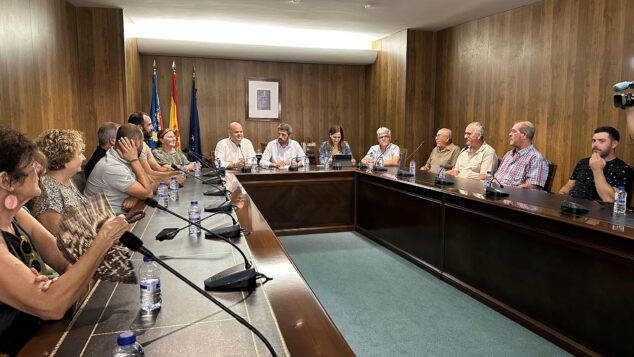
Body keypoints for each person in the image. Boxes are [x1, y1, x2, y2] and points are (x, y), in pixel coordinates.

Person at [0, 127, 129, 355]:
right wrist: (103, 239)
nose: (39, 169)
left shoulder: (17, 214)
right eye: (31, 165)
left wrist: (59, 284)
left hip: (43, 336)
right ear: (6, 180)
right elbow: (52, 305)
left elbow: (70, 260)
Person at [28, 129, 88, 235]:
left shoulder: (67, 179)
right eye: (79, 154)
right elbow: (59, 239)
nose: (84, 157)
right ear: (65, 160)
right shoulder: (48, 190)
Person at [85, 124, 155, 215]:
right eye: (142, 141)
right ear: (136, 142)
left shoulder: (122, 157)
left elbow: (151, 181)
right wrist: (134, 160)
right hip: (106, 220)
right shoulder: (112, 166)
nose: (143, 145)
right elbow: (148, 193)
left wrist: (136, 197)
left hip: (122, 214)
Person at [559, 126, 633, 203]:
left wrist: (597, 170)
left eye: (601, 141)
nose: (595, 144)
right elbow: (567, 187)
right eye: (594, 141)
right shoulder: (583, 162)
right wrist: (561, 197)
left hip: (597, 212)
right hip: (571, 207)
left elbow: (610, 199)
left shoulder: (623, 168)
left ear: (614, 144)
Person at [128, 112, 184, 186]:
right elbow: (149, 173)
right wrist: (172, 177)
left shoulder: (144, 145)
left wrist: (176, 172)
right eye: (149, 125)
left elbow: (157, 168)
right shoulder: (135, 146)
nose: (152, 127)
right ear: (139, 127)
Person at [494, 121, 549, 189]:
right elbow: (496, 178)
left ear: (524, 135)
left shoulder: (536, 158)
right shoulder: (508, 154)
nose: (509, 134)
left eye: (514, 131)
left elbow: (531, 187)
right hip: (494, 194)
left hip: (514, 197)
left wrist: (504, 191)